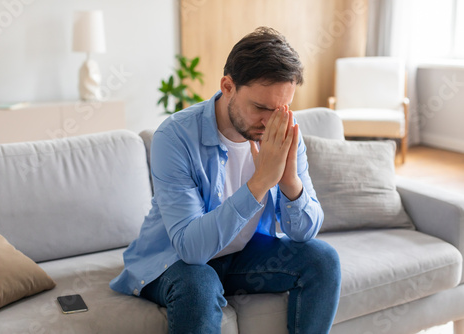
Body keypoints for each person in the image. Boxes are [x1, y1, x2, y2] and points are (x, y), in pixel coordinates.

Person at [110, 26, 341, 334]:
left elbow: (305, 232)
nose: (270, 122)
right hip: (173, 261)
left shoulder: (285, 131)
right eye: (260, 107)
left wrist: (288, 183)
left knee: (323, 260)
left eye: (281, 109)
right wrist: (259, 183)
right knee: (198, 281)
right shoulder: (175, 137)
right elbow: (191, 249)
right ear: (228, 86)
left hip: (240, 258)